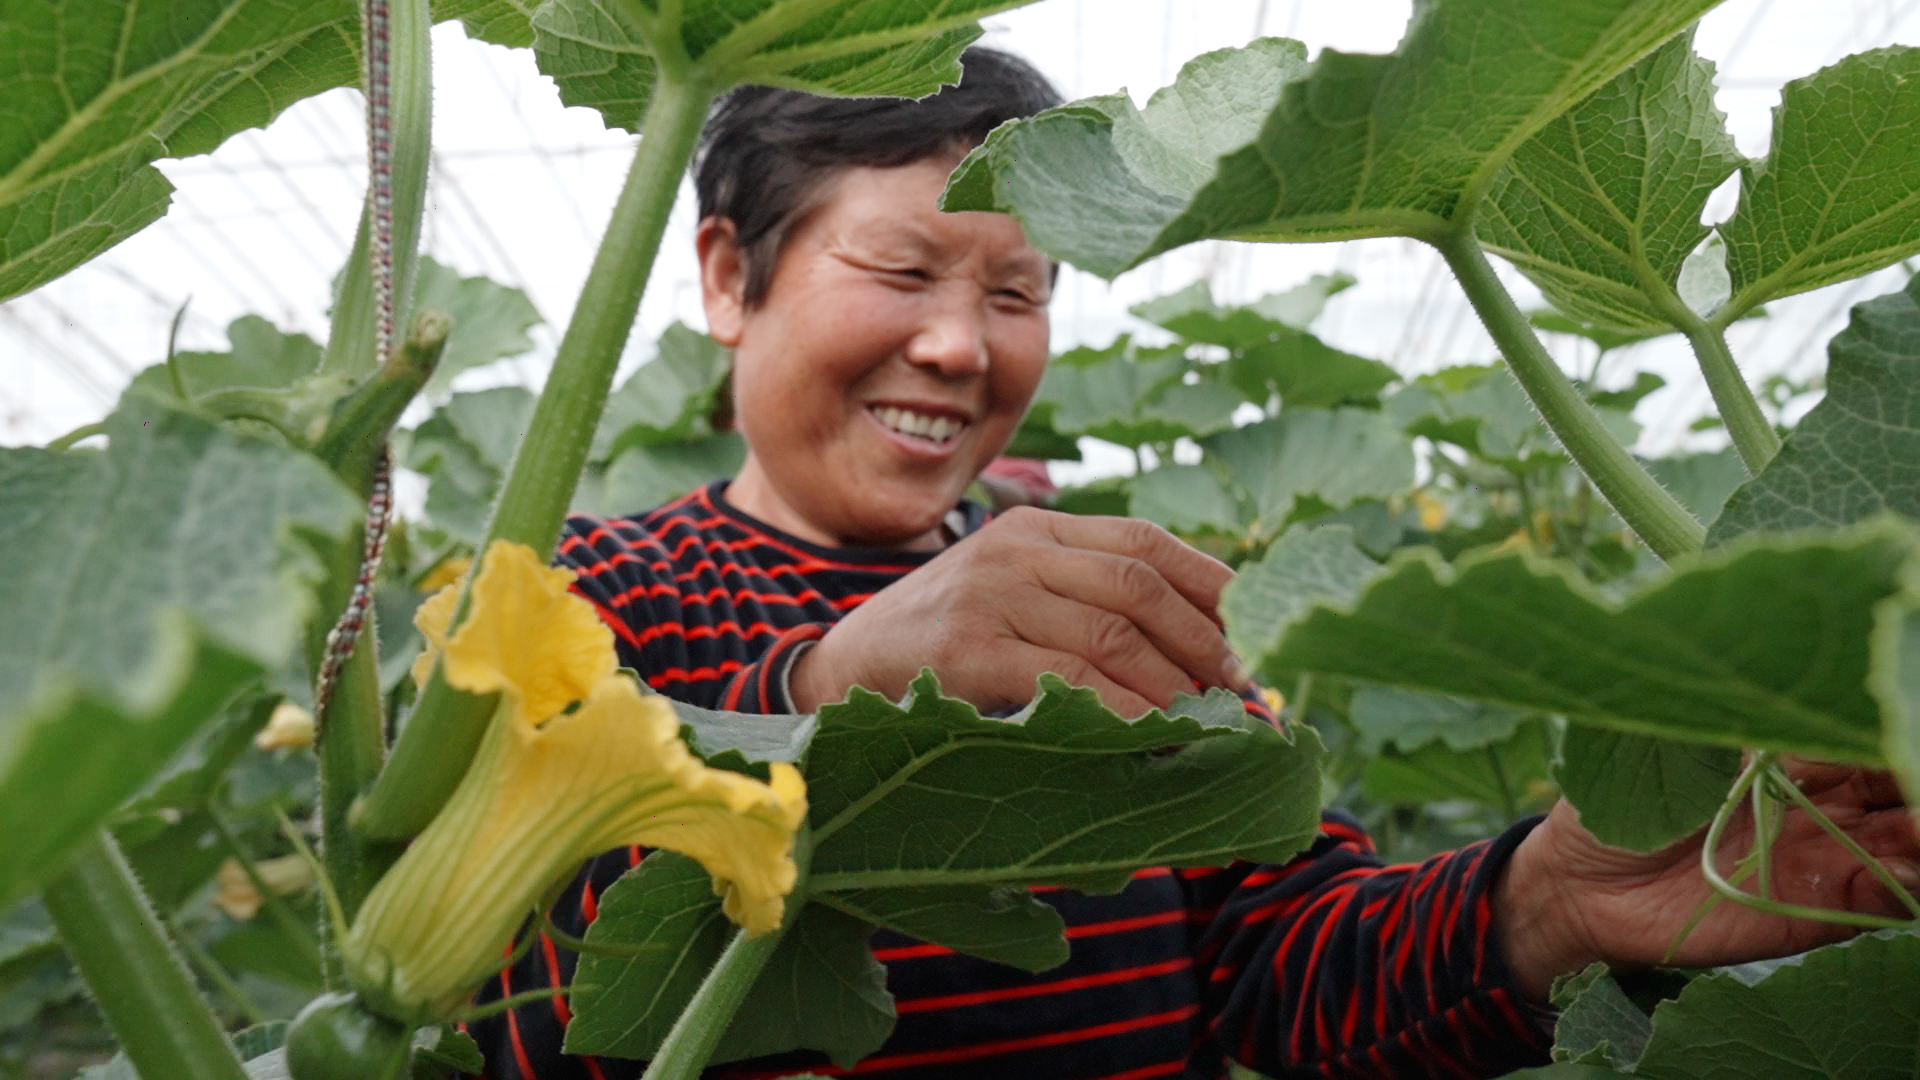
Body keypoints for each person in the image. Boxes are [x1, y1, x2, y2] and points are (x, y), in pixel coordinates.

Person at [465, 47, 1920, 1080]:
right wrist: (823, 690)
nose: (961, 345)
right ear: (731, 277)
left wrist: (1552, 899)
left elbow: (1289, 989)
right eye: (903, 274)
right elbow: (497, 1017)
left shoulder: (1112, 609)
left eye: (1017, 292)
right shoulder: (593, 604)